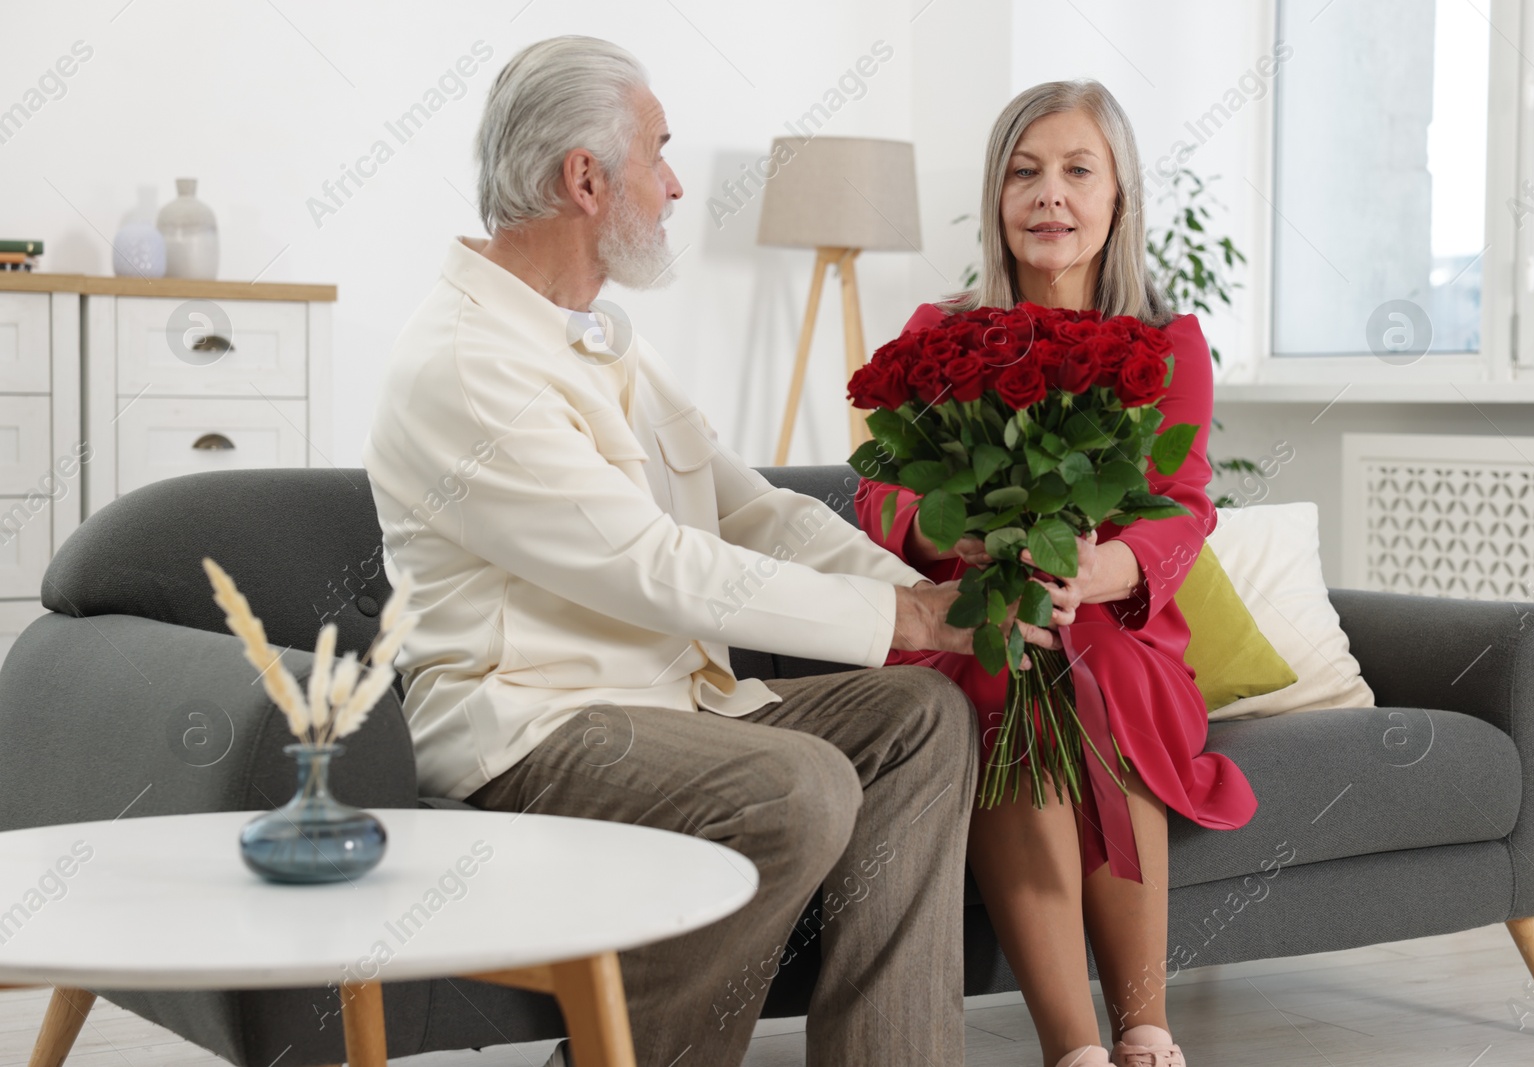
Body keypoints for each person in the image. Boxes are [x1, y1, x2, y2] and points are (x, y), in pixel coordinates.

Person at [363, 35, 1079, 1067]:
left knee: (924, 713)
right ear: (585, 179)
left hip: (667, 707)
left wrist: (931, 597)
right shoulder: (465, 364)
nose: (674, 184)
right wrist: (906, 618)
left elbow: (751, 513)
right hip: (530, 731)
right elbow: (656, 565)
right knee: (796, 787)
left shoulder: (598, 338)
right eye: (658, 155)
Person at [854, 80, 1259, 1067]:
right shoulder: (934, 333)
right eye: (1025, 172)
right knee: (1007, 657)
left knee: (1102, 672)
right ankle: (1073, 1047)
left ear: (1117, 197)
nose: (1050, 195)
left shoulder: (1170, 345)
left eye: (1078, 171)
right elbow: (878, 497)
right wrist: (975, 545)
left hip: (1117, 619)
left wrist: (1103, 562)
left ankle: (1144, 1025)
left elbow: (1183, 503)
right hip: (973, 615)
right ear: (997, 197)